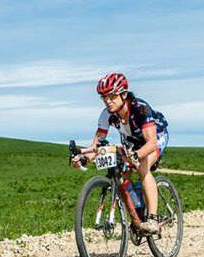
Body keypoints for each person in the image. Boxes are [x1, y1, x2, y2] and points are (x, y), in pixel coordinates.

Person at [72, 72, 169, 234]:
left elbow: (151, 143)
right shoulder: (107, 115)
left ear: (124, 94)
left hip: (155, 136)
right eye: (104, 97)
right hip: (131, 139)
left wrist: (137, 156)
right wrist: (82, 159)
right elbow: (96, 146)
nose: (107, 101)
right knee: (123, 173)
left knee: (142, 167)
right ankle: (138, 211)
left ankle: (153, 219)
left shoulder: (140, 109)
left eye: (112, 96)